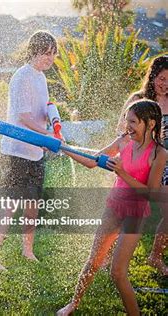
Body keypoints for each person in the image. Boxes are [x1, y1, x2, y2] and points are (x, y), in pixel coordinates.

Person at [58, 100, 166, 316]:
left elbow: (151, 193)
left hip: (135, 213)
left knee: (117, 273)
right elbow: (92, 161)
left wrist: (123, 173)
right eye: (127, 121)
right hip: (114, 206)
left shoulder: (159, 154)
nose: (128, 127)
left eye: (133, 122)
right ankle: (73, 304)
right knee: (94, 261)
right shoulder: (124, 141)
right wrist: (63, 148)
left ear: (151, 123)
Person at [0, 31, 58, 270]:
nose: (50, 58)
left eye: (53, 54)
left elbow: (43, 108)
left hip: (35, 152)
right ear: (34, 51)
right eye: (46, 53)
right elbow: (23, 118)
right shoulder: (22, 77)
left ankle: (27, 250)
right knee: (9, 205)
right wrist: (47, 135)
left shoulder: (40, 77)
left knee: (32, 204)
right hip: (17, 152)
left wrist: (54, 119)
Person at [116, 55, 168, 276]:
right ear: (152, 76)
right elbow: (122, 131)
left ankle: (155, 256)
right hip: (139, 164)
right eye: (162, 78)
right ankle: (110, 252)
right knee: (124, 212)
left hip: (164, 164)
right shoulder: (139, 99)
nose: (165, 84)